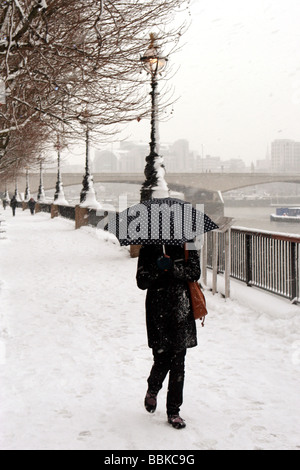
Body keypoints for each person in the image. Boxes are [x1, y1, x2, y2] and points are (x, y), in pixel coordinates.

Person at [136, 243, 200, 430]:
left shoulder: (188, 241)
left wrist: (173, 268)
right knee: (162, 358)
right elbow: (141, 281)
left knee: (178, 362)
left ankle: (174, 411)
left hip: (181, 307)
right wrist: (157, 267)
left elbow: (195, 272)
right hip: (158, 308)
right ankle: (153, 388)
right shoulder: (149, 245)